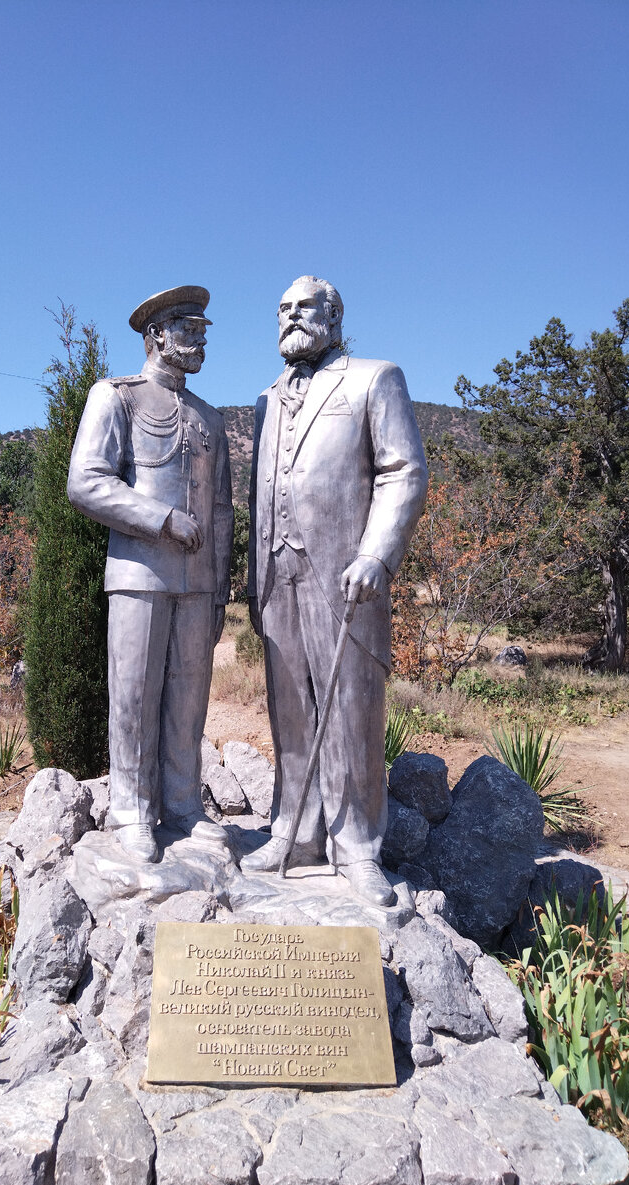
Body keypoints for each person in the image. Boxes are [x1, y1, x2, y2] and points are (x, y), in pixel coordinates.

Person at [242, 275, 428, 904]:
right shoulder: (266, 400)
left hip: (346, 575)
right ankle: (294, 833)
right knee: (291, 712)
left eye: (303, 308)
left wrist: (377, 552)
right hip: (276, 572)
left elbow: (402, 472)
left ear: (334, 315)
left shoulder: (375, 379)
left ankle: (357, 848)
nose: (290, 318)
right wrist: (251, 575)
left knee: (351, 710)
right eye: (282, 310)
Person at [67, 286, 233, 863]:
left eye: (203, 329)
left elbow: (223, 510)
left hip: (198, 584)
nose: (200, 337)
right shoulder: (116, 399)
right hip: (138, 575)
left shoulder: (210, 417)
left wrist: (220, 588)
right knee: (135, 694)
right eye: (189, 327)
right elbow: (86, 482)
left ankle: (183, 805)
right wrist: (161, 519)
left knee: (189, 699)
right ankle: (133, 809)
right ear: (156, 334)